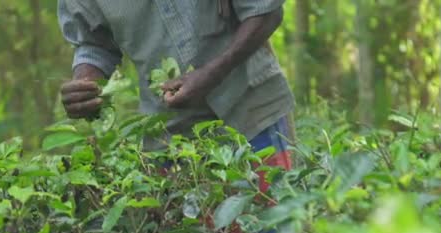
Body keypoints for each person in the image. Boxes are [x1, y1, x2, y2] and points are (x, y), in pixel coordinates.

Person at [58, 0, 295, 187]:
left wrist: (213, 73)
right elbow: (94, 43)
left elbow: (265, 11)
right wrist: (85, 83)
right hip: (170, 142)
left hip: (252, 114)